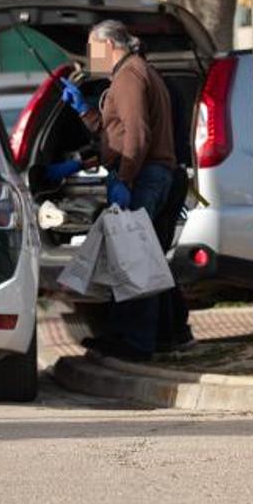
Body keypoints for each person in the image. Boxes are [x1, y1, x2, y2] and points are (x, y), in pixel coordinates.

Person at [58, 19, 177, 361]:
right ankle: (159, 335)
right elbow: (117, 132)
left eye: (92, 48)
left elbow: (137, 135)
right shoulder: (134, 73)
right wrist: (83, 110)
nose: (89, 56)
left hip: (141, 175)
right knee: (137, 257)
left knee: (135, 261)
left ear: (109, 45)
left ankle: (136, 343)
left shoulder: (129, 75)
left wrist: (125, 178)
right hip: (144, 172)